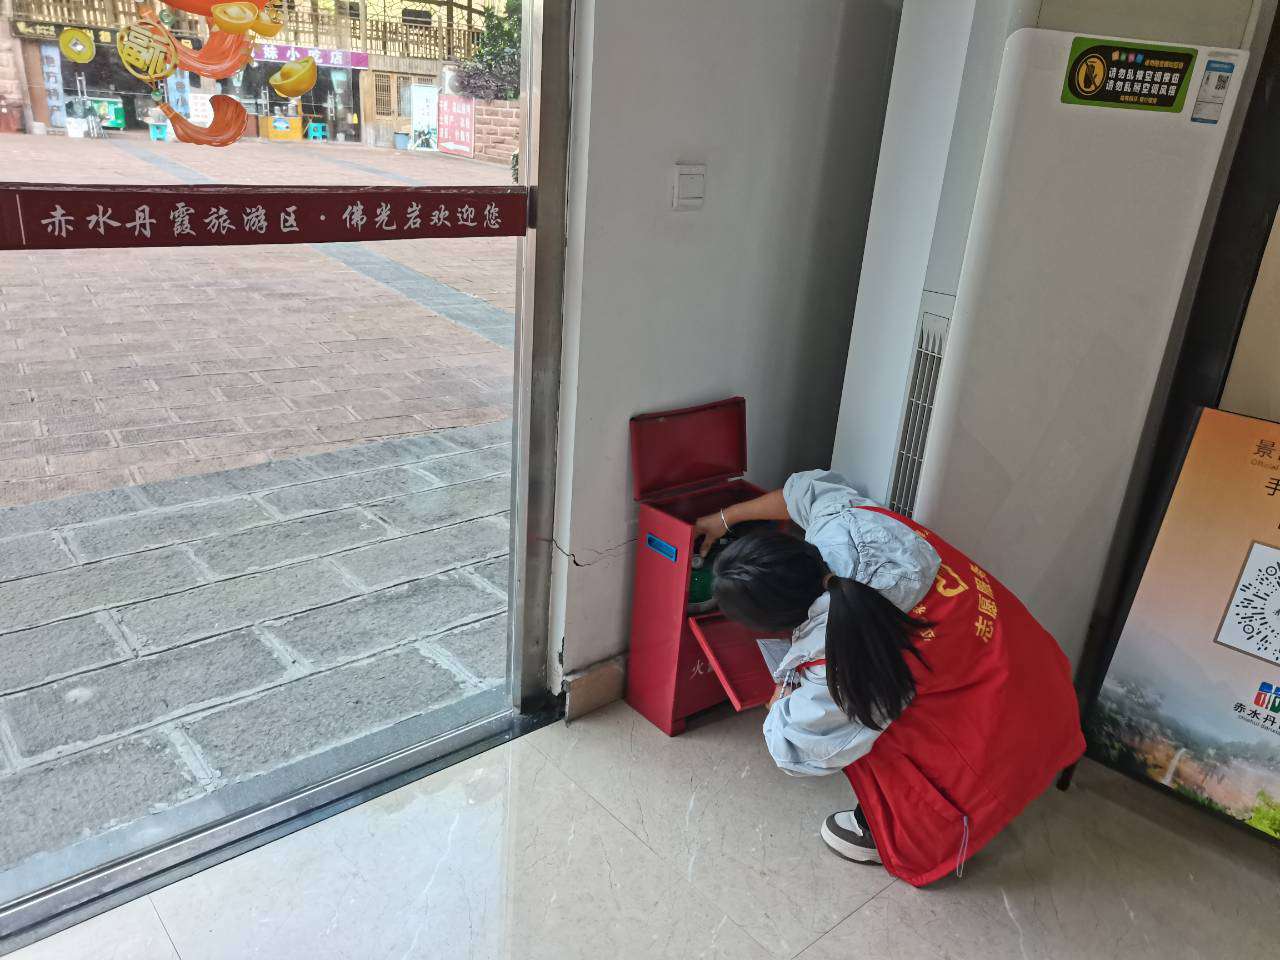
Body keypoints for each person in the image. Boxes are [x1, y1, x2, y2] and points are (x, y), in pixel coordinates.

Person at [693, 470, 1084, 886]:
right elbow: (800, 491)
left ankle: (887, 828)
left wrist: (780, 698)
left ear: (776, 625)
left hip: (1006, 730)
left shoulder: (841, 657)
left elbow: (794, 749)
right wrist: (724, 518)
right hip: (1042, 674)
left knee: (862, 726)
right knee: (888, 691)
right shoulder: (848, 524)